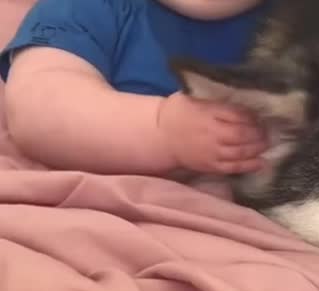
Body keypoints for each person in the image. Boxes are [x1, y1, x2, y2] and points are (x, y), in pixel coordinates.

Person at [0, 0, 271, 176]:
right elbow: (39, 109)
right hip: (103, 207)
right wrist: (159, 129)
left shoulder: (294, 22)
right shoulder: (86, 6)